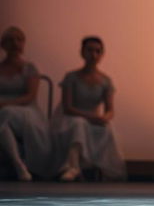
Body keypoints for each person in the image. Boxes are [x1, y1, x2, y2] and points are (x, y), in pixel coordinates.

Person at [51, 36, 126, 181]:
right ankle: (72, 166)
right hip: (70, 117)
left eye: (98, 51)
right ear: (82, 52)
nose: (93, 55)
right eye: (90, 50)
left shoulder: (105, 80)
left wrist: (105, 117)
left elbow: (110, 109)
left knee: (107, 127)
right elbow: (67, 108)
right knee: (78, 124)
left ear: (102, 54)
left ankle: (97, 167)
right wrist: (90, 117)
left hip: (93, 118)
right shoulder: (71, 77)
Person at [0, 26, 51, 181]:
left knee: (5, 114)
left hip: (26, 110)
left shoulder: (30, 68)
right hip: (2, 110)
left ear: (23, 44)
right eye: (10, 40)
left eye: (19, 39)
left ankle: (17, 165)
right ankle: (18, 164)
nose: (15, 43)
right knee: (3, 122)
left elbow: (30, 96)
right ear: (3, 45)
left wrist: (6, 103)